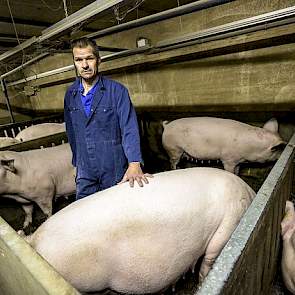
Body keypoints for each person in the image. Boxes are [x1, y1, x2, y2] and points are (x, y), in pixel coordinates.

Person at [64, 37, 151, 200]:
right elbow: (71, 132)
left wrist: (134, 163)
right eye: (79, 60)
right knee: (83, 209)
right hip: (85, 168)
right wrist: (77, 163)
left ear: (98, 60)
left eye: (89, 58)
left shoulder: (117, 91)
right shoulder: (70, 94)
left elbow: (129, 128)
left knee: (117, 210)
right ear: (74, 63)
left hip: (113, 165)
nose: (84, 65)